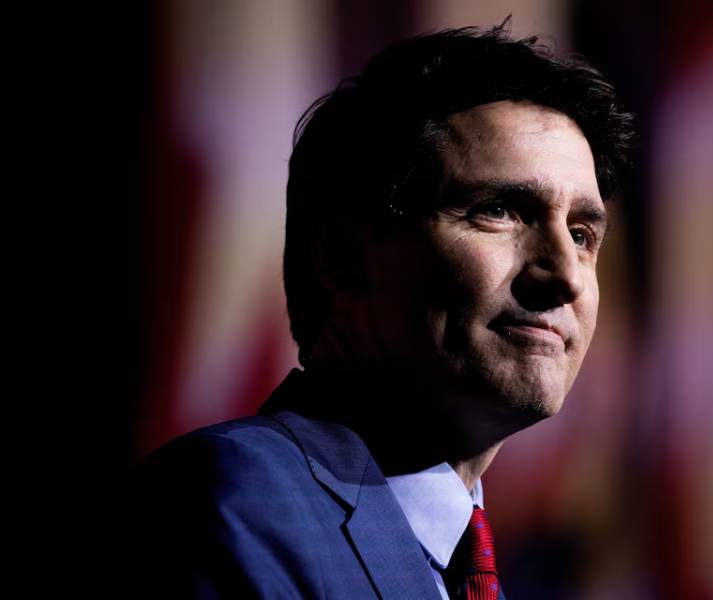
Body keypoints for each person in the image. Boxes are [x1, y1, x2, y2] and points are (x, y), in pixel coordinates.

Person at [127, 20, 634, 599]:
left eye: (582, 234)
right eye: (498, 210)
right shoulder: (235, 506)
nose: (566, 274)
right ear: (342, 255)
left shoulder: (474, 562)